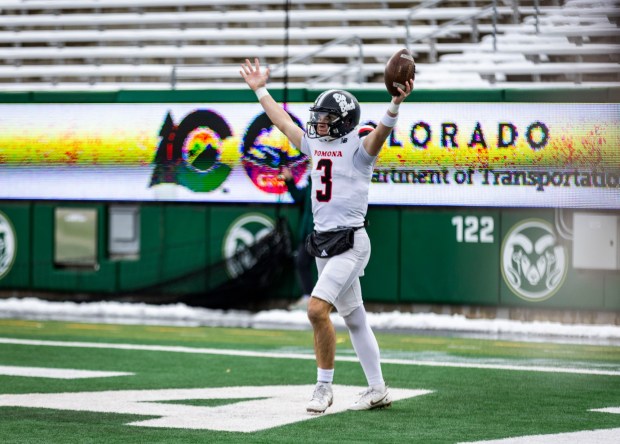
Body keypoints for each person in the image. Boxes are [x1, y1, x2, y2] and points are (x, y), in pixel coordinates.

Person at [240, 58, 413, 413]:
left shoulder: (360, 150)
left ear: (344, 120)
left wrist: (395, 105)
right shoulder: (316, 144)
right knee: (354, 317)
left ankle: (323, 387)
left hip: (350, 241)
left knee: (317, 310)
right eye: (317, 116)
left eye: (325, 117)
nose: (318, 122)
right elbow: (284, 122)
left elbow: (380, 134)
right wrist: (260, 90)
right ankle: (378, 388)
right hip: (322, 242)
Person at [280, 165, 313, 310]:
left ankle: (325, 301)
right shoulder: (311, 186)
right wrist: (290, 180)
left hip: (322, 233)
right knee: (301, 262)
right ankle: (309, 297)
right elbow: (298, 197)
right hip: (308, 234)